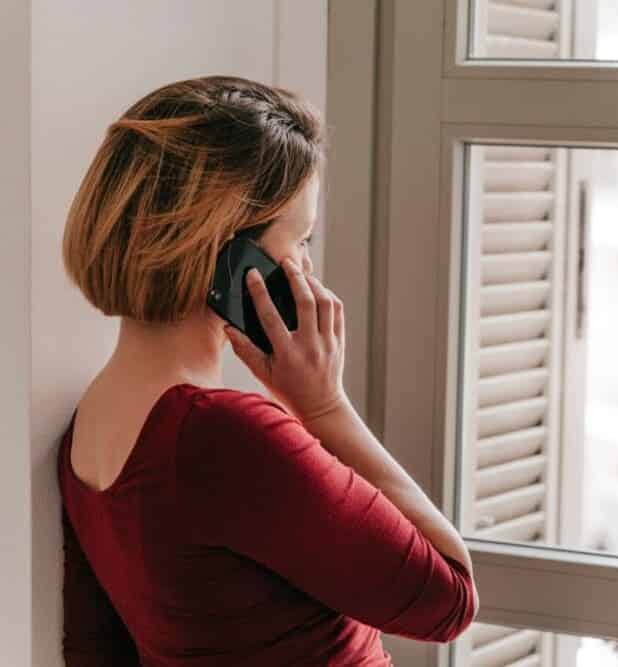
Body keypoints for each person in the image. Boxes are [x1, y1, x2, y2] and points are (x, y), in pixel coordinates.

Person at [58, 75, 478, 666]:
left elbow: (94, 653)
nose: (307, 265)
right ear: (231, 258)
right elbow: (449, 599)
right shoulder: (222, 434)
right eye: (299, 239)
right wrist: (325, 406)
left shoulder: (90, 425)